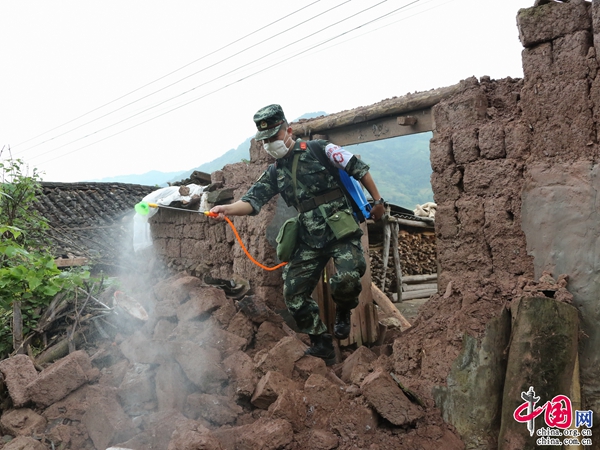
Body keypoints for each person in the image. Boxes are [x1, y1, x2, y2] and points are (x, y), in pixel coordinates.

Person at [210, 104, 385, 365]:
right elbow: (251, 201)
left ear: (288, 130)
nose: (270, 144)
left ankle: (343, 312)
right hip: (309, 237)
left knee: (348, 278)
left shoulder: (320, 150)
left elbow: (357, 168)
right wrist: (226, 209)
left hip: (340, 229)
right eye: (265, 140)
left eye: (274, 137)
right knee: (293, 292)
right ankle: (321, 341)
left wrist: (379, 201)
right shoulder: (274, 172)